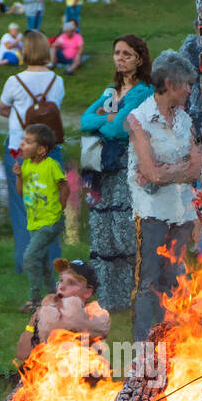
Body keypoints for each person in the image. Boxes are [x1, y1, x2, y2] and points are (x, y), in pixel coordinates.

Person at [126, 50, 202, 343]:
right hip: (151, 213)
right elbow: (150, 173)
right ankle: (143, 349)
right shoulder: (139, 119)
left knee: (174, 278)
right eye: (186, 84)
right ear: (170, 83)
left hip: (183, 212)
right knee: (149, 281)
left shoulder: (185, 119)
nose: (189, 90)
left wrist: (166, 171)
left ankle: (170, 345)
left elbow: (195, 167)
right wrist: (175, 169)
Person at [80, 35, 154, 311]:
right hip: (102, 167)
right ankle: (107, 299)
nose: (120, 59)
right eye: (117, 53)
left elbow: (118, 129)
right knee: (102, 230)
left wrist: (106, 121)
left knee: (124, 230)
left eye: (127, 54)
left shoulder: (143, 92)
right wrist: (106, 119)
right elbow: (85, 120)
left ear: (139, 58)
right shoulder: (111, 93)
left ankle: (132, 294)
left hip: (127, 165)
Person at [0, 30, 65, 274]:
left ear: (25, 51)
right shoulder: (57, 81)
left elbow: (3, 108)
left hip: (20, 148)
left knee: (21, 208)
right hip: (50, 149)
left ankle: (25, 264)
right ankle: (52, 263)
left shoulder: (14, 81)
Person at [16, 259, 109, 363]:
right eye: (61, 280)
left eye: (71, 283)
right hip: (46, 374)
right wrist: (35, 319)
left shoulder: (93, 314)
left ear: (87, 292)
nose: (62, 287)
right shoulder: (48, 314)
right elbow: (22, 353)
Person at [17, 123, 69, 310]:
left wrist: (60, 208)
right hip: (35, 221)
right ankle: (54, 297)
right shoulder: (26, 165)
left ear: (41, 149)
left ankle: (35, 299)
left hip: (50, 221)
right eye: (23, 140)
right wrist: (19, 177)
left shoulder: (51, 165)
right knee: (44, 262)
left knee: (30, 257)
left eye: (28, 142)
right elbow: (21, 192)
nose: (22, 144)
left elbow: (64, 186)